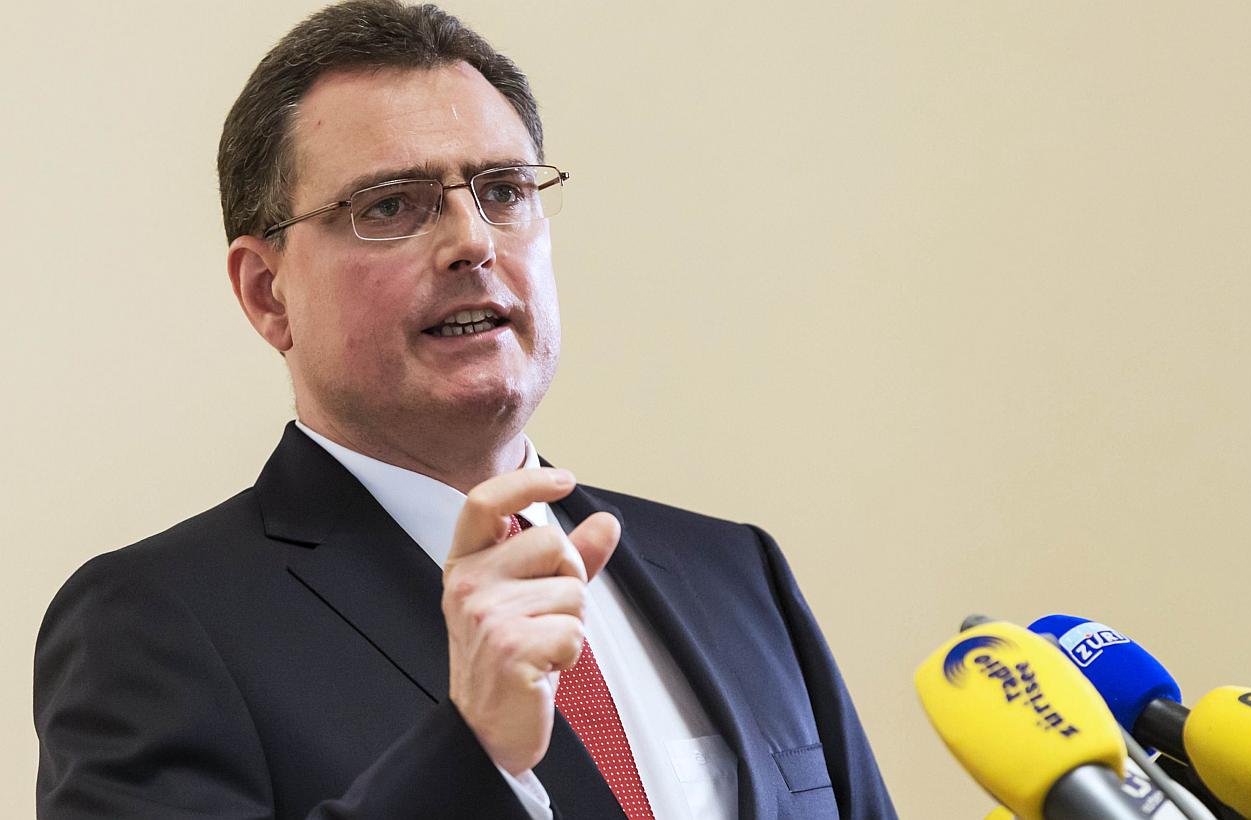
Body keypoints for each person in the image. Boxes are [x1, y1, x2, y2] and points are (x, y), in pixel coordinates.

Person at [32, 2, 895, 818]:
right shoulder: (154, 625)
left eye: (505, 190)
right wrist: (474, 752)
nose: (473, 242)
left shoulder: (735, 573)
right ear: (268, 293)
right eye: (390, 205)